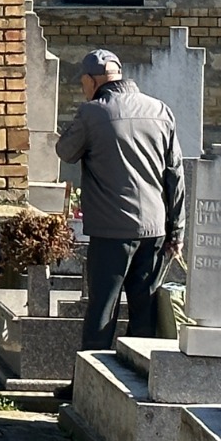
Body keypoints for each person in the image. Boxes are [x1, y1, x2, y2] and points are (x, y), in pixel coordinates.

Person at [55, 49, 184, 378]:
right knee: (144, 311)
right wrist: (177, 231)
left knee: (103, 309)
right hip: (154, 230)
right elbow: (175, 175)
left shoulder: (92, 112)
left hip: (112, 230)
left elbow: (65, 151)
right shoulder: (159, 110)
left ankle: (89, 385)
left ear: (91, 80)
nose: (82, 87)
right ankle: (138, 385)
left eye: (83, 82)